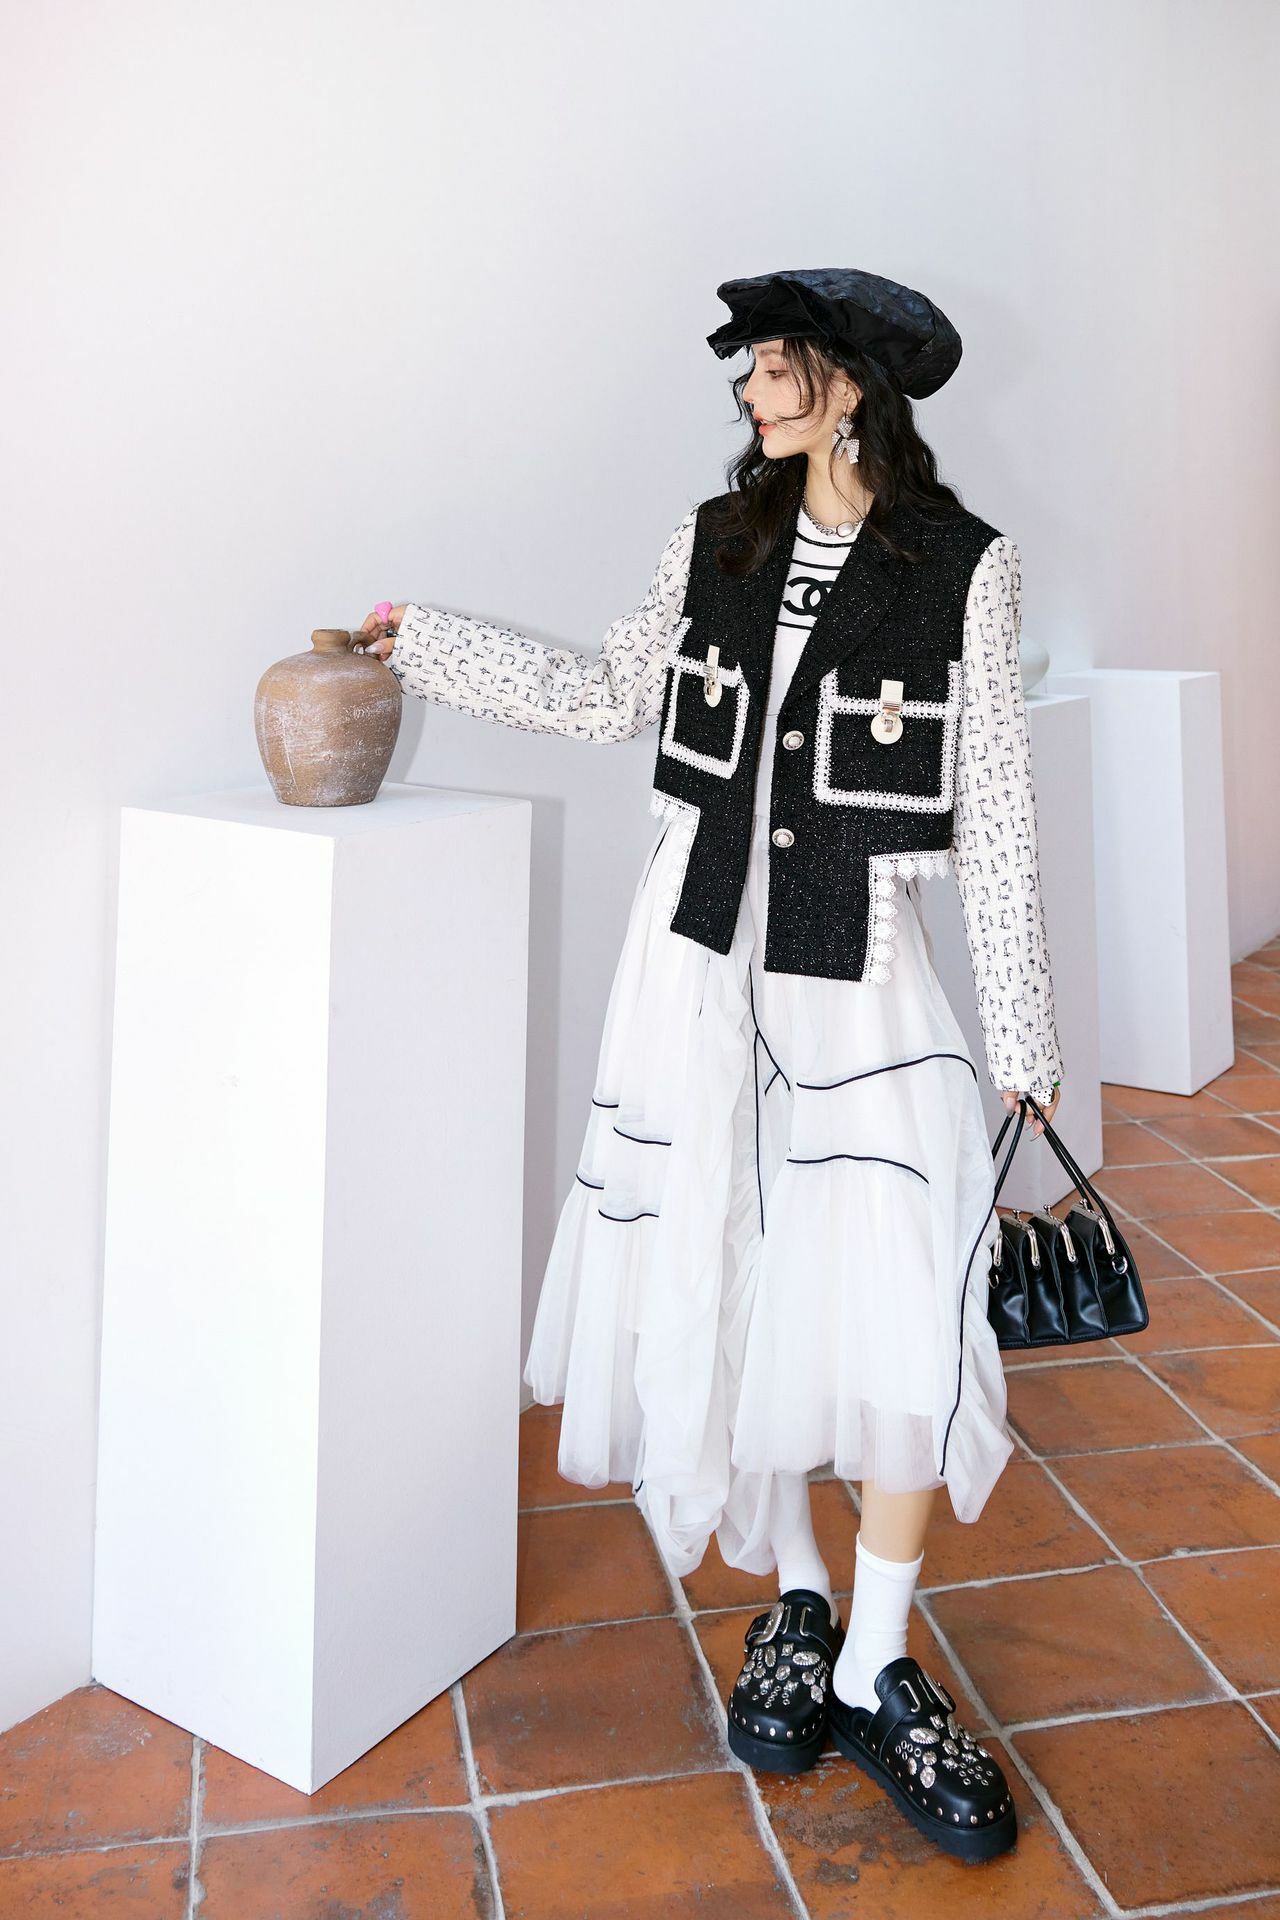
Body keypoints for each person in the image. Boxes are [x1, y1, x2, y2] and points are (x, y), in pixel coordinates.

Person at [361, 268, 1062, 1864]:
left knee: (899, 1300)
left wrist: (1024, 1036)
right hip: (691, 962)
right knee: (733, 1267)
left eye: (774, 363)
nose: (747, 386)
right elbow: (612, 695)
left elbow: (1002, 812)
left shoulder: (964, 566)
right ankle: (801, 1596)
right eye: (745, 367)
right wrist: (429, 646)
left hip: (857, 971)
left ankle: (878, 1655)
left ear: (851, 383)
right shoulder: (712, 539)